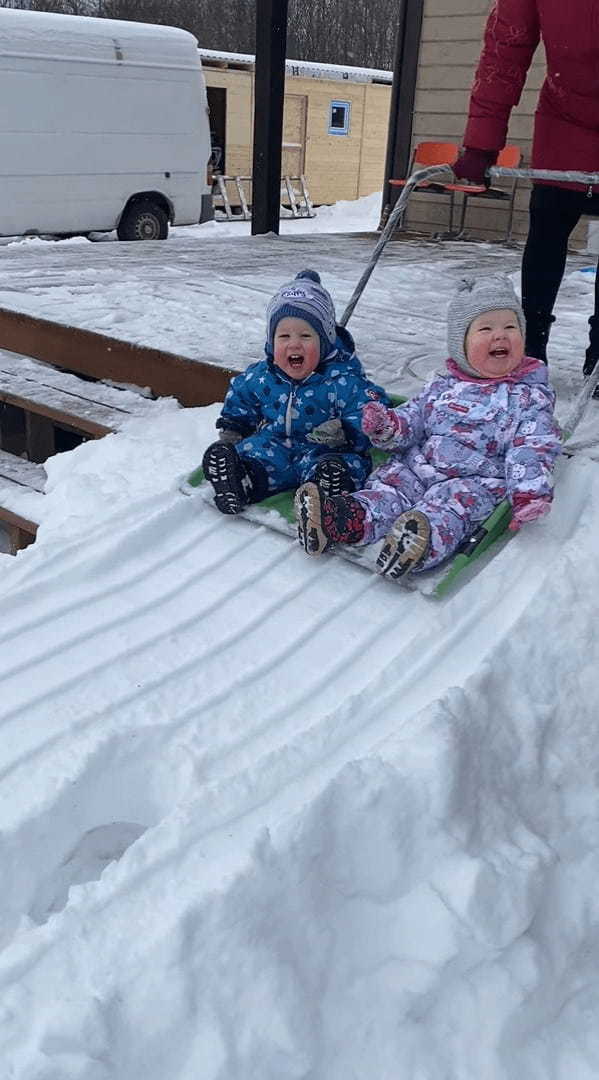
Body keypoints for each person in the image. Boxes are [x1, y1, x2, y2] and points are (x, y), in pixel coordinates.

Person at [294, 275, 562, 580]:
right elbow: (414, 417)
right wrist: (389, 426)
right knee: (389, 490)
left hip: (474, 480)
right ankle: (341, 519)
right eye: (486, 329)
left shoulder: (529, 395)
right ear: (461, 344)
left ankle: (417, 544)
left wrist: (529, 493)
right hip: (420, 467)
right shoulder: (442, 385)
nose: (500, 336)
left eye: (510, 328)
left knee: (451, 511)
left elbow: (532, 446)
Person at [452, 0, 599, 374]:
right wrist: (481, 141)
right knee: (547, 235)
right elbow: (505, 52)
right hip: (565, 121)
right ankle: (531, 347)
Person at [202, 269, 388, 514]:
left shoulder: (343, 380)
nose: (294, 343)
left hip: (323, 450)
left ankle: (326, 491)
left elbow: (373, 408)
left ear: (326, 341)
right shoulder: (262, 375)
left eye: (306, 335)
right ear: (272, 342)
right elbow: (241, 396)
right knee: (253, 454)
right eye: (284, 336)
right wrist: (234, 428)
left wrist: (347, 430)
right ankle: (241, 480)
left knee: (344, 464)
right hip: (276, 445)